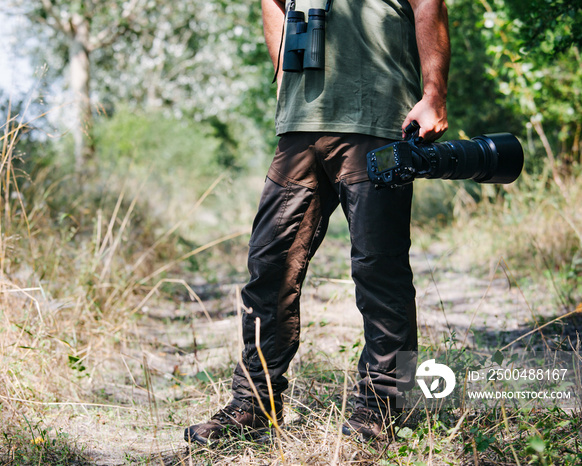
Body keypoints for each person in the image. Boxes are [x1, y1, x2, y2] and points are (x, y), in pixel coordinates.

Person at [185, 0, 449, 444]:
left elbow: (428, 3)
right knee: (269, 267)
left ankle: (386, 408)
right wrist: (284, 82)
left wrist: (434, 93)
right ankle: (254, 404)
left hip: (378, 117)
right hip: (301, 126)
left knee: (380, 272)